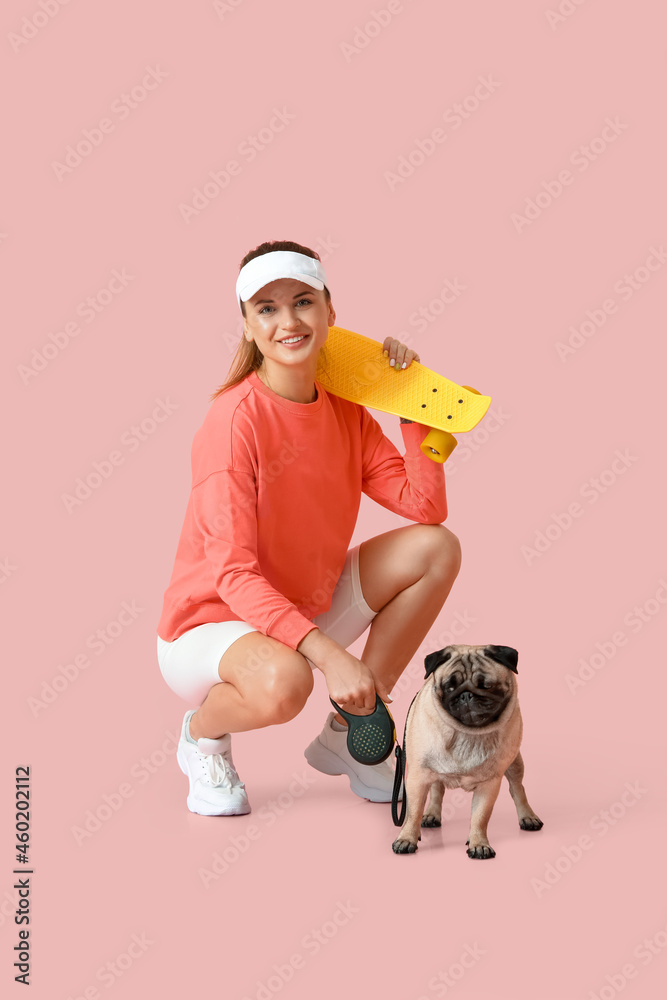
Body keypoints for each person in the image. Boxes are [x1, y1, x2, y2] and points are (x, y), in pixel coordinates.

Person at [156, 240, 462, 816]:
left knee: (436, 549)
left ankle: (351, 733)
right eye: (267, 309)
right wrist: (331, 656)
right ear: (247, 327)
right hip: (209, 623)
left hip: (301, 607)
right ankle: (201, 734)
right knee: (286, 683)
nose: (288, 321)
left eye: (302, 302)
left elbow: (423, 507)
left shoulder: (345, 409)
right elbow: (232, 573)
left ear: (330, 312)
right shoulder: (232, 423)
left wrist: (413, 399)